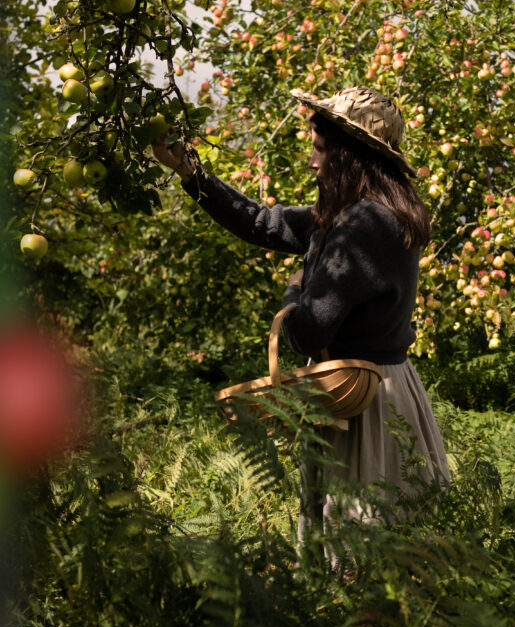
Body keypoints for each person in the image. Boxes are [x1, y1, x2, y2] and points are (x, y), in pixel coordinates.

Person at [152, 85, 449, 543]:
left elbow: (307, 333)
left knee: (359, 548)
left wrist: (293, 293)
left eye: (320, 150)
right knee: (397, 541)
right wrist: (189, 172)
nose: (312, 162)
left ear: (349, 157)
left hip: (359, 400)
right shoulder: (376, 212)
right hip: (385, 388)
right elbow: (261, 221)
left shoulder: (361, 225)